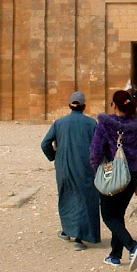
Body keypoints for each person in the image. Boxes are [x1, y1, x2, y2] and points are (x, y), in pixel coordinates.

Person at [90, 90, 137, 271]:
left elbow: (97, 151)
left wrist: (97, 171)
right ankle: (115, 256)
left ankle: (132, 246)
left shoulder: (105, 124)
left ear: (114, 105)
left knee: (108, 216)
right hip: (133, 174)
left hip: (113, 174)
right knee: (118, 215)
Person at [40, 92, 100, 251]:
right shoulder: (91, 123)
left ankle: (67, 231)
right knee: (85, 199)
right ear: (84, 106)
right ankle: (79, 238)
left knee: (67, 197)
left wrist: (54, 156)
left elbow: (45, 144)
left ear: (69, 106)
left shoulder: (60, 123)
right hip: (85, 167)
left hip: (64, 166)